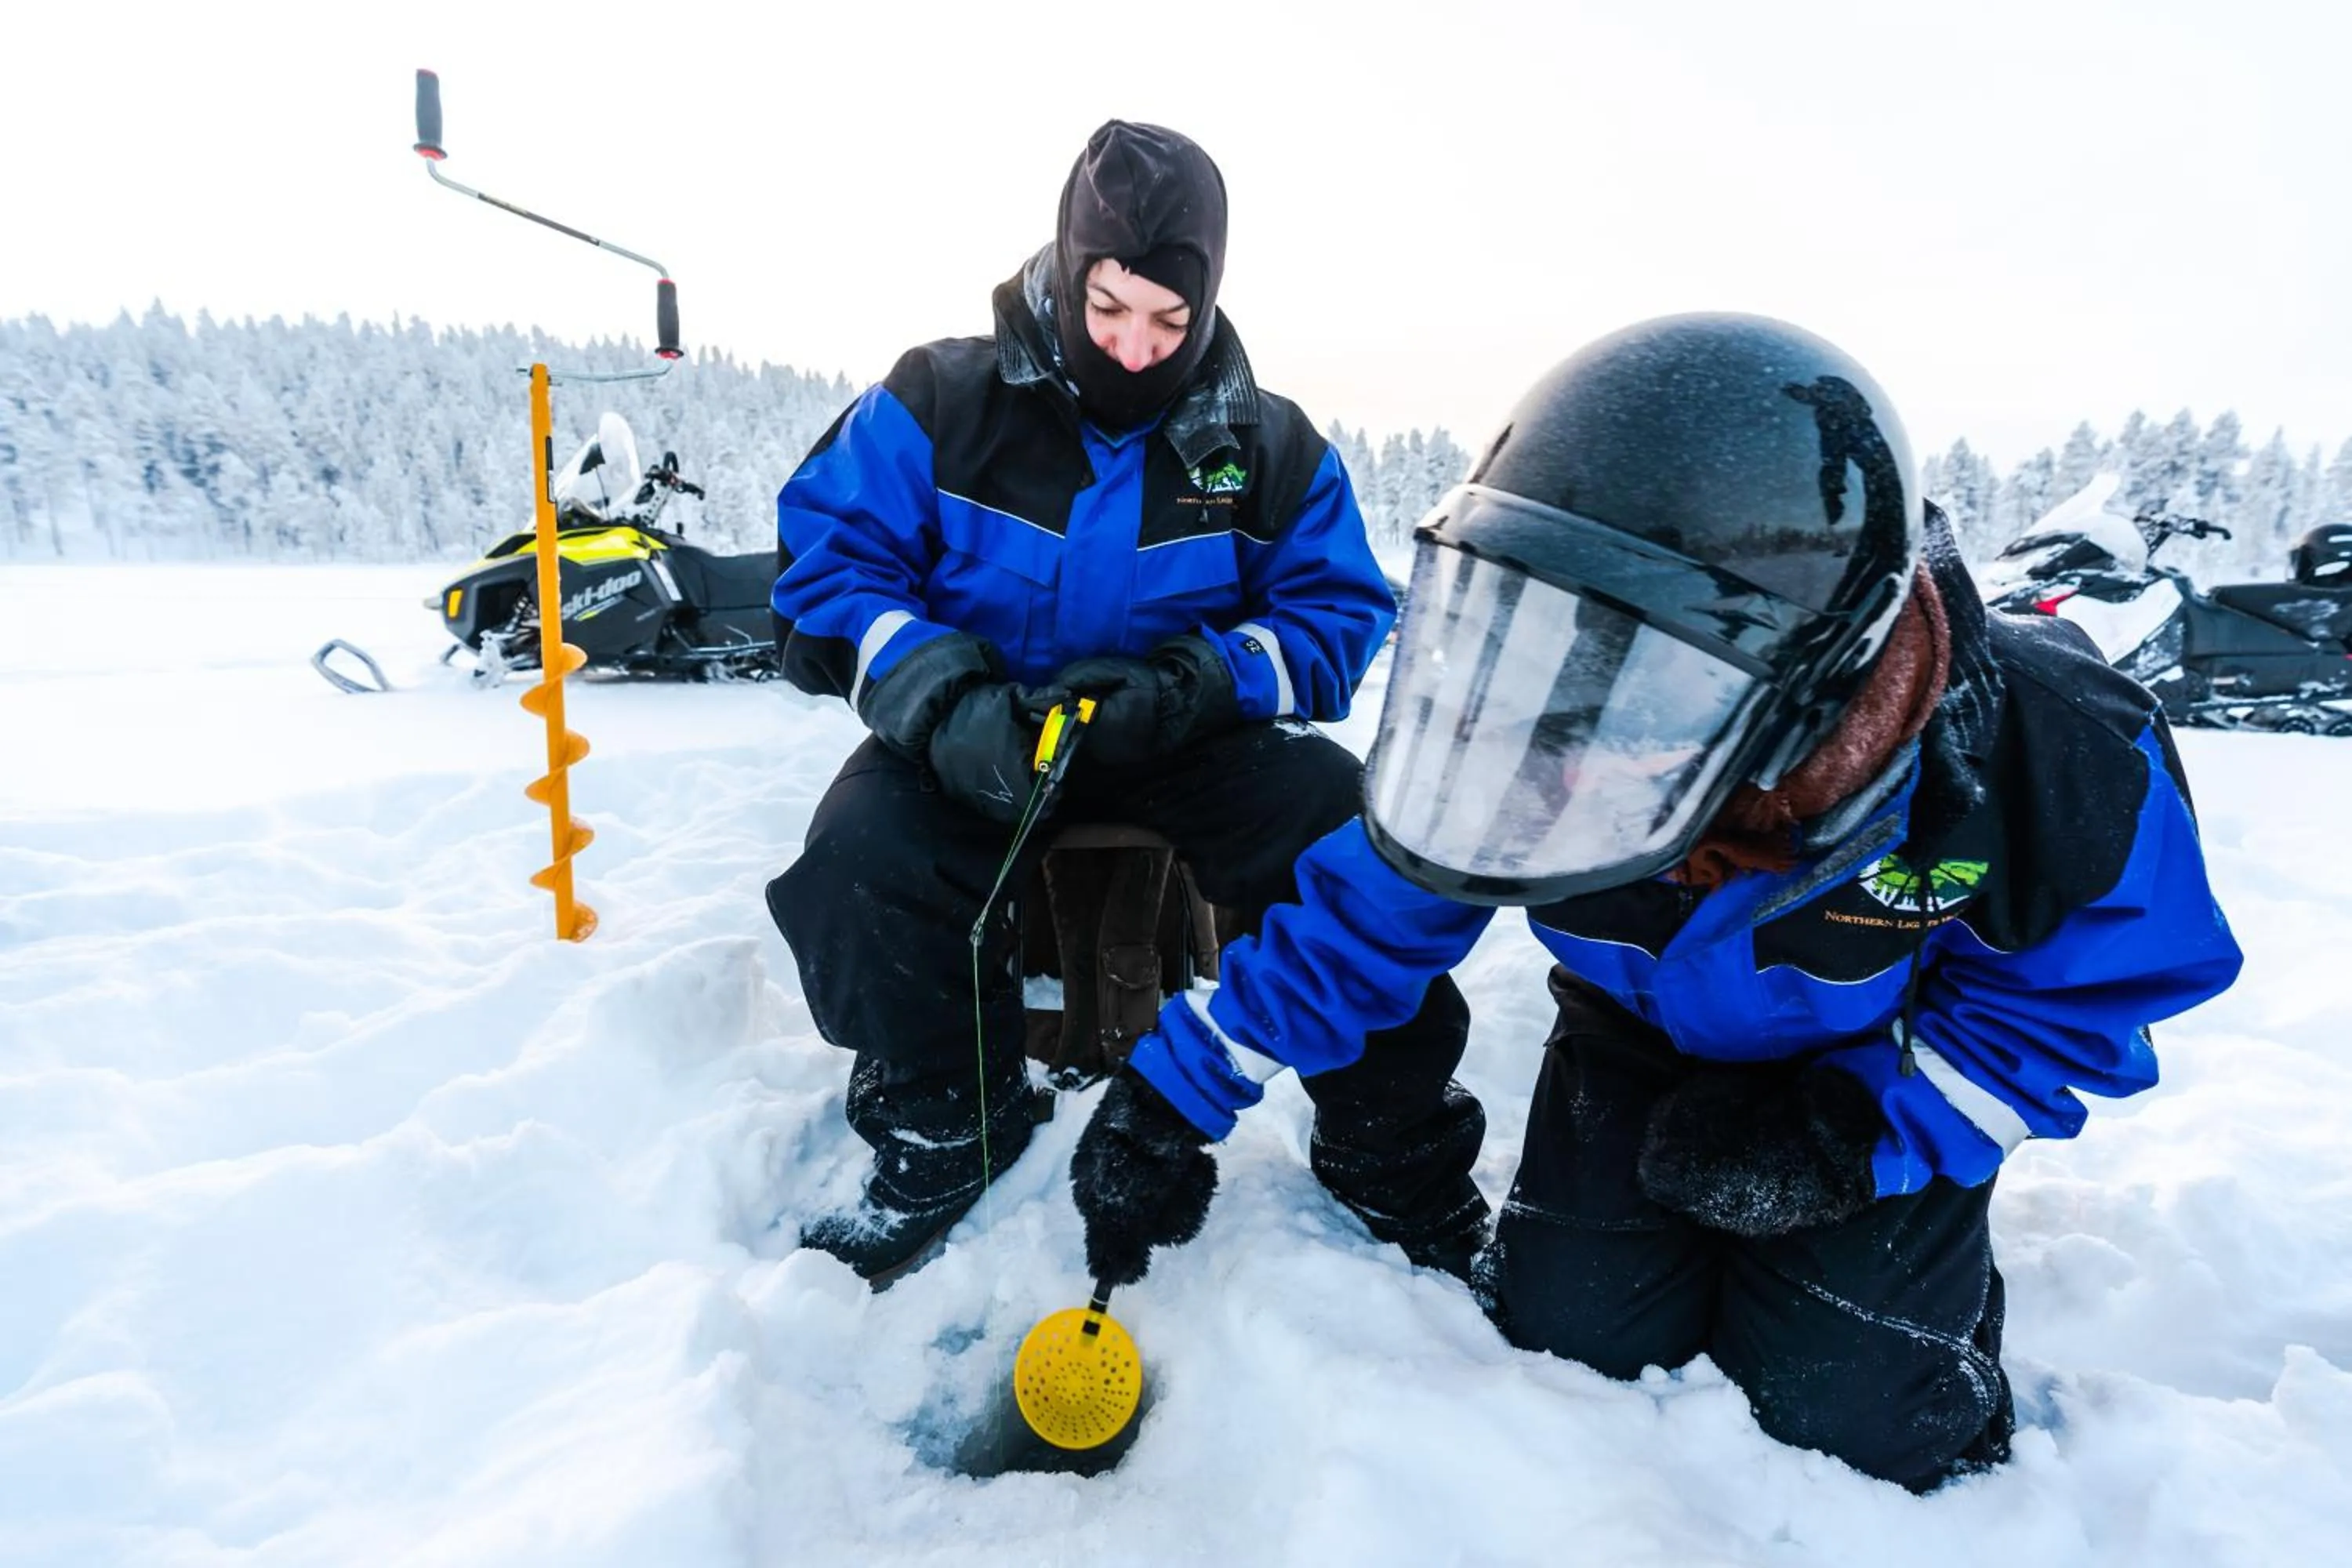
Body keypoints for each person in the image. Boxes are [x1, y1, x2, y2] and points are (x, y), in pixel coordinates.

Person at [1068, 312, 2245, 1491]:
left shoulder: (2048, 755)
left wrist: (1854, 1139)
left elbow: (2088, 997)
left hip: (1877, 1071)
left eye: (1633, 700)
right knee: (1572, 1339)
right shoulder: (1553, 707)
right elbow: (1374, 912)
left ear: (1790, 690)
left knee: (1852, 1413)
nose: (1568, 754)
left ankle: (1930, 1320)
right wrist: (1179, 1092)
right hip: (1634, 1042)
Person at [765, 121, 1486, 1286]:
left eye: (1171, 320)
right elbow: (830, 567)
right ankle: (952, 1127)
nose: (1139, 348)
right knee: (859, 862)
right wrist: (943, 701)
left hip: (1175, 734)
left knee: (1348, 842)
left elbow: (1339, 615)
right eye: (1111, 309)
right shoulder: (937, 398)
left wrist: (1204, 682)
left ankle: (1391, 1148)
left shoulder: (1267, 442)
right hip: (978, 729)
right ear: (1067, 264)